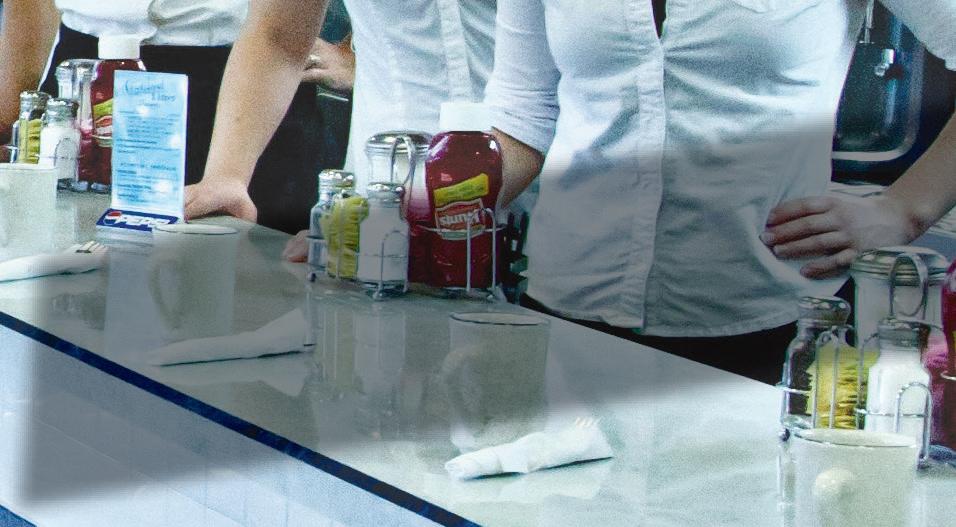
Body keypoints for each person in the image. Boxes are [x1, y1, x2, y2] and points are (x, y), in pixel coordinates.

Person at [486, 0, 956, 384]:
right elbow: (524, 112)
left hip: (764, 321)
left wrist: (904, 209)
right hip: (564, 304)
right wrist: (451, 210)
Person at [184, 0, 498, 259]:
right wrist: (227, 176)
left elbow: (522, 106)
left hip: (513, 181)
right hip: (378, 190)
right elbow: (278, 36)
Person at [0, 0, 348, 233]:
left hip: (240, 89)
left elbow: (280, 37)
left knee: (241, 284)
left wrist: (356, 53)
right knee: (61, 280)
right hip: (82, 78)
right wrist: (6, 121)